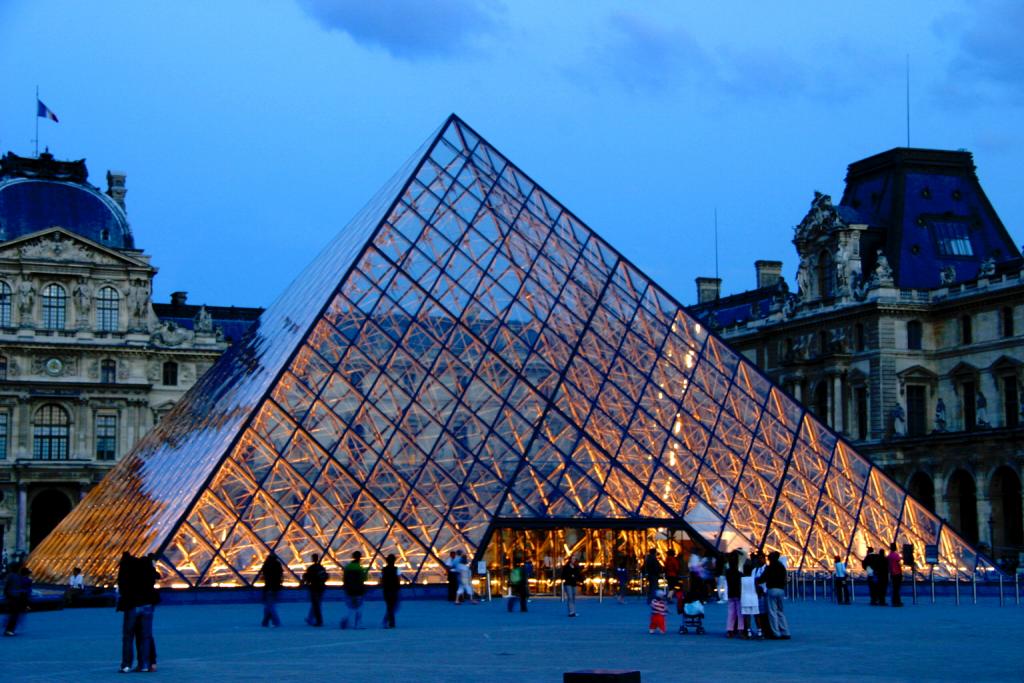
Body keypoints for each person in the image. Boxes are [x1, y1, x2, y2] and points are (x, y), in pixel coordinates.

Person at [758, 551, 790, 640]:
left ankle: (776, 633)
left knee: (772, 612)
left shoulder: (769, 568)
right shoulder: (782, 567)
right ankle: (785, 632)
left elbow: (762, 579)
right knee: (780, 611)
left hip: (772, 590)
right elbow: (785, 579)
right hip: (781, 590)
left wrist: (756, 581)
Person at [340, 551, 368, 629]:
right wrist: (365, 573)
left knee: (351, 608)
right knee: (359, 607)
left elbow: (344, 579)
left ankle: (347, 621)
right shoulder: (360, 568)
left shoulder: (347, 567)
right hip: (359, 590)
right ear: (360, 558)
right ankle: (357, 623)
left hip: (349, 590)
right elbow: (364, 579)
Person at [3, 564, 31, 636]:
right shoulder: (17, 577)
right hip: (15, 598)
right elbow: (18, 589)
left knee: (12, 614)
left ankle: (8, 629)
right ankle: (9, 630)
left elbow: (6, 587)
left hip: (11, 597)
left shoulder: (10, 576)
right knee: (14, 614)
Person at [303, 553, 328, 626]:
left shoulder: (311, 568)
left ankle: (318, 621)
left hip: (313, 588)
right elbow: (325, 577)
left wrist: (307, 583)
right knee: (317, 604)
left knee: (315, 605)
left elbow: (307, 577)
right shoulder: (321, 567)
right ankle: (310, 618)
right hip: (321, 588)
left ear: (312, 559)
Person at [259, 553, 283, 627]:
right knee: (270, 606)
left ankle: (274, 621)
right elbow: (280, 576)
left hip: (269, 588)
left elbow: (265, 576)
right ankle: (266, 621)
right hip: (275, 588)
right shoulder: (277, 565)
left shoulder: (267, 565)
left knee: (269, 606)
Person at [724, 550, 743, 637]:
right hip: (738, 594)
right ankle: (741, 629)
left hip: (730, 593)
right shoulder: (739, 574)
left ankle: (730, 630)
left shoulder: (727, 572)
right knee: (740, 612)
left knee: (731, 612)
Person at [380, 554, 401, 629]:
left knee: (389, 606)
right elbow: (398, 579)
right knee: (392, 606)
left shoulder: (384, 569)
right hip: (394, 589)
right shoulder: (397, 569)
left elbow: (381, 579)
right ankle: (390, 622)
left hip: (386, 590)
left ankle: (388, 621)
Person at [887, 543, 904, 607]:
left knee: (894, 588)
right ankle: (897, 601)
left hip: (892, 573)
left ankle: (894, 601)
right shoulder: (896, 555)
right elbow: (899, 563)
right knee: (897, 588)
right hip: (897, 573)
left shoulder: (889, 556)